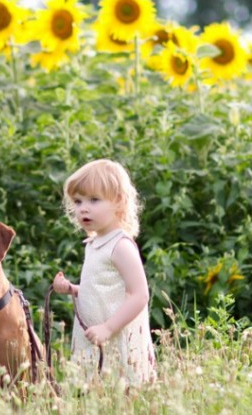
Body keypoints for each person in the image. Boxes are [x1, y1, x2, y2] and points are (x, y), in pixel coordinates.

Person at [52, 159, 156, 385]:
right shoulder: (94, 243)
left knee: (121, 391)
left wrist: (108, 328)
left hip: (116, 337)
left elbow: (139, 295)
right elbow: (102, 290)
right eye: (78, 201)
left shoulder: (121, 246)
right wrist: (73, 289)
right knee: (96, 393)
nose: (83, 208)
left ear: (118, 201)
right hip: (96, 337)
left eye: (94, 200)